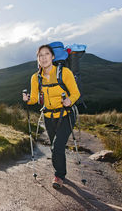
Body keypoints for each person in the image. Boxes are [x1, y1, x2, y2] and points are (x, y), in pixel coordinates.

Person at [23, 44, 80, 189]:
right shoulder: (36, 78)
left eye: (46, 54)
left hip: (66, 115)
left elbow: (75, 93)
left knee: (57, 145)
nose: (43, 58)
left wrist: (69, 101)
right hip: (48, 116)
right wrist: (27, 99)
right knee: (56, 148)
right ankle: (62, 172)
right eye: (40, 55)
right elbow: (35, 99)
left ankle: (59, 176)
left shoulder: (64, 72)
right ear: (38, 59)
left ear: (53, 56)